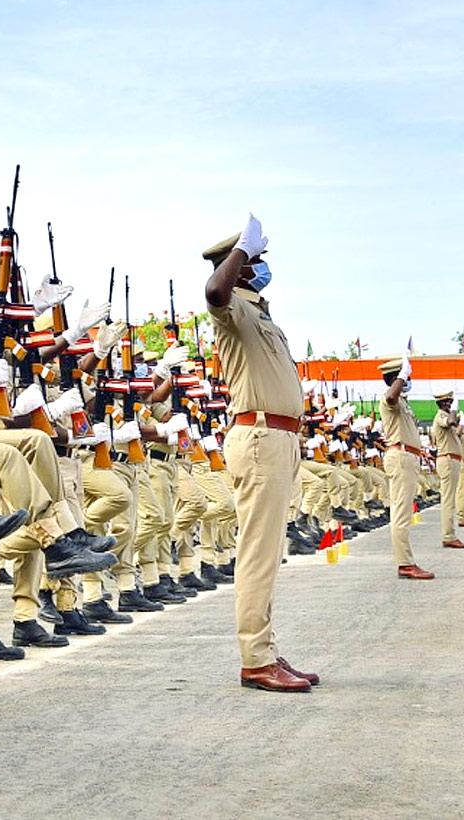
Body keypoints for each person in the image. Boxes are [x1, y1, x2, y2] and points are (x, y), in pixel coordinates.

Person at [204, 215, 316, 693]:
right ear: (242, 266)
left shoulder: (259, 313)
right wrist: (240, 253)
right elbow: (212, 293)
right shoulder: (232, 306)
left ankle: (265, 648)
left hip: (280, 439)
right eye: (257, 259)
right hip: (260, 437)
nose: (263, 266)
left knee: (269, 553)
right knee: (257, 553)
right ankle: (255, 658)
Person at [378, 355, 434, 580]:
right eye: (405, 376)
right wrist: (401, 375)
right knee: (401, 513)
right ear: (396, 378)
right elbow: (391, 395)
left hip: (407, 457)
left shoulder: (403, 402)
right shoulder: (389, 398)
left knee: (403, 511)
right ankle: (405, 563)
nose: (408, 380)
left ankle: (406, 562)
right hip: (400, 457)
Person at [431, 391, 464, 549]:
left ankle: (450, 534)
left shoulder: (446, 418)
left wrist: (462, 424)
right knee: (448, 500)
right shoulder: (441, 416)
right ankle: (448, 535)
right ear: (445, 404)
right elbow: (451, 422)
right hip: (446, 460)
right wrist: (453, 411)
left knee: (450, 500)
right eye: (450, 403)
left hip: (452, 460)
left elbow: (456, 432)